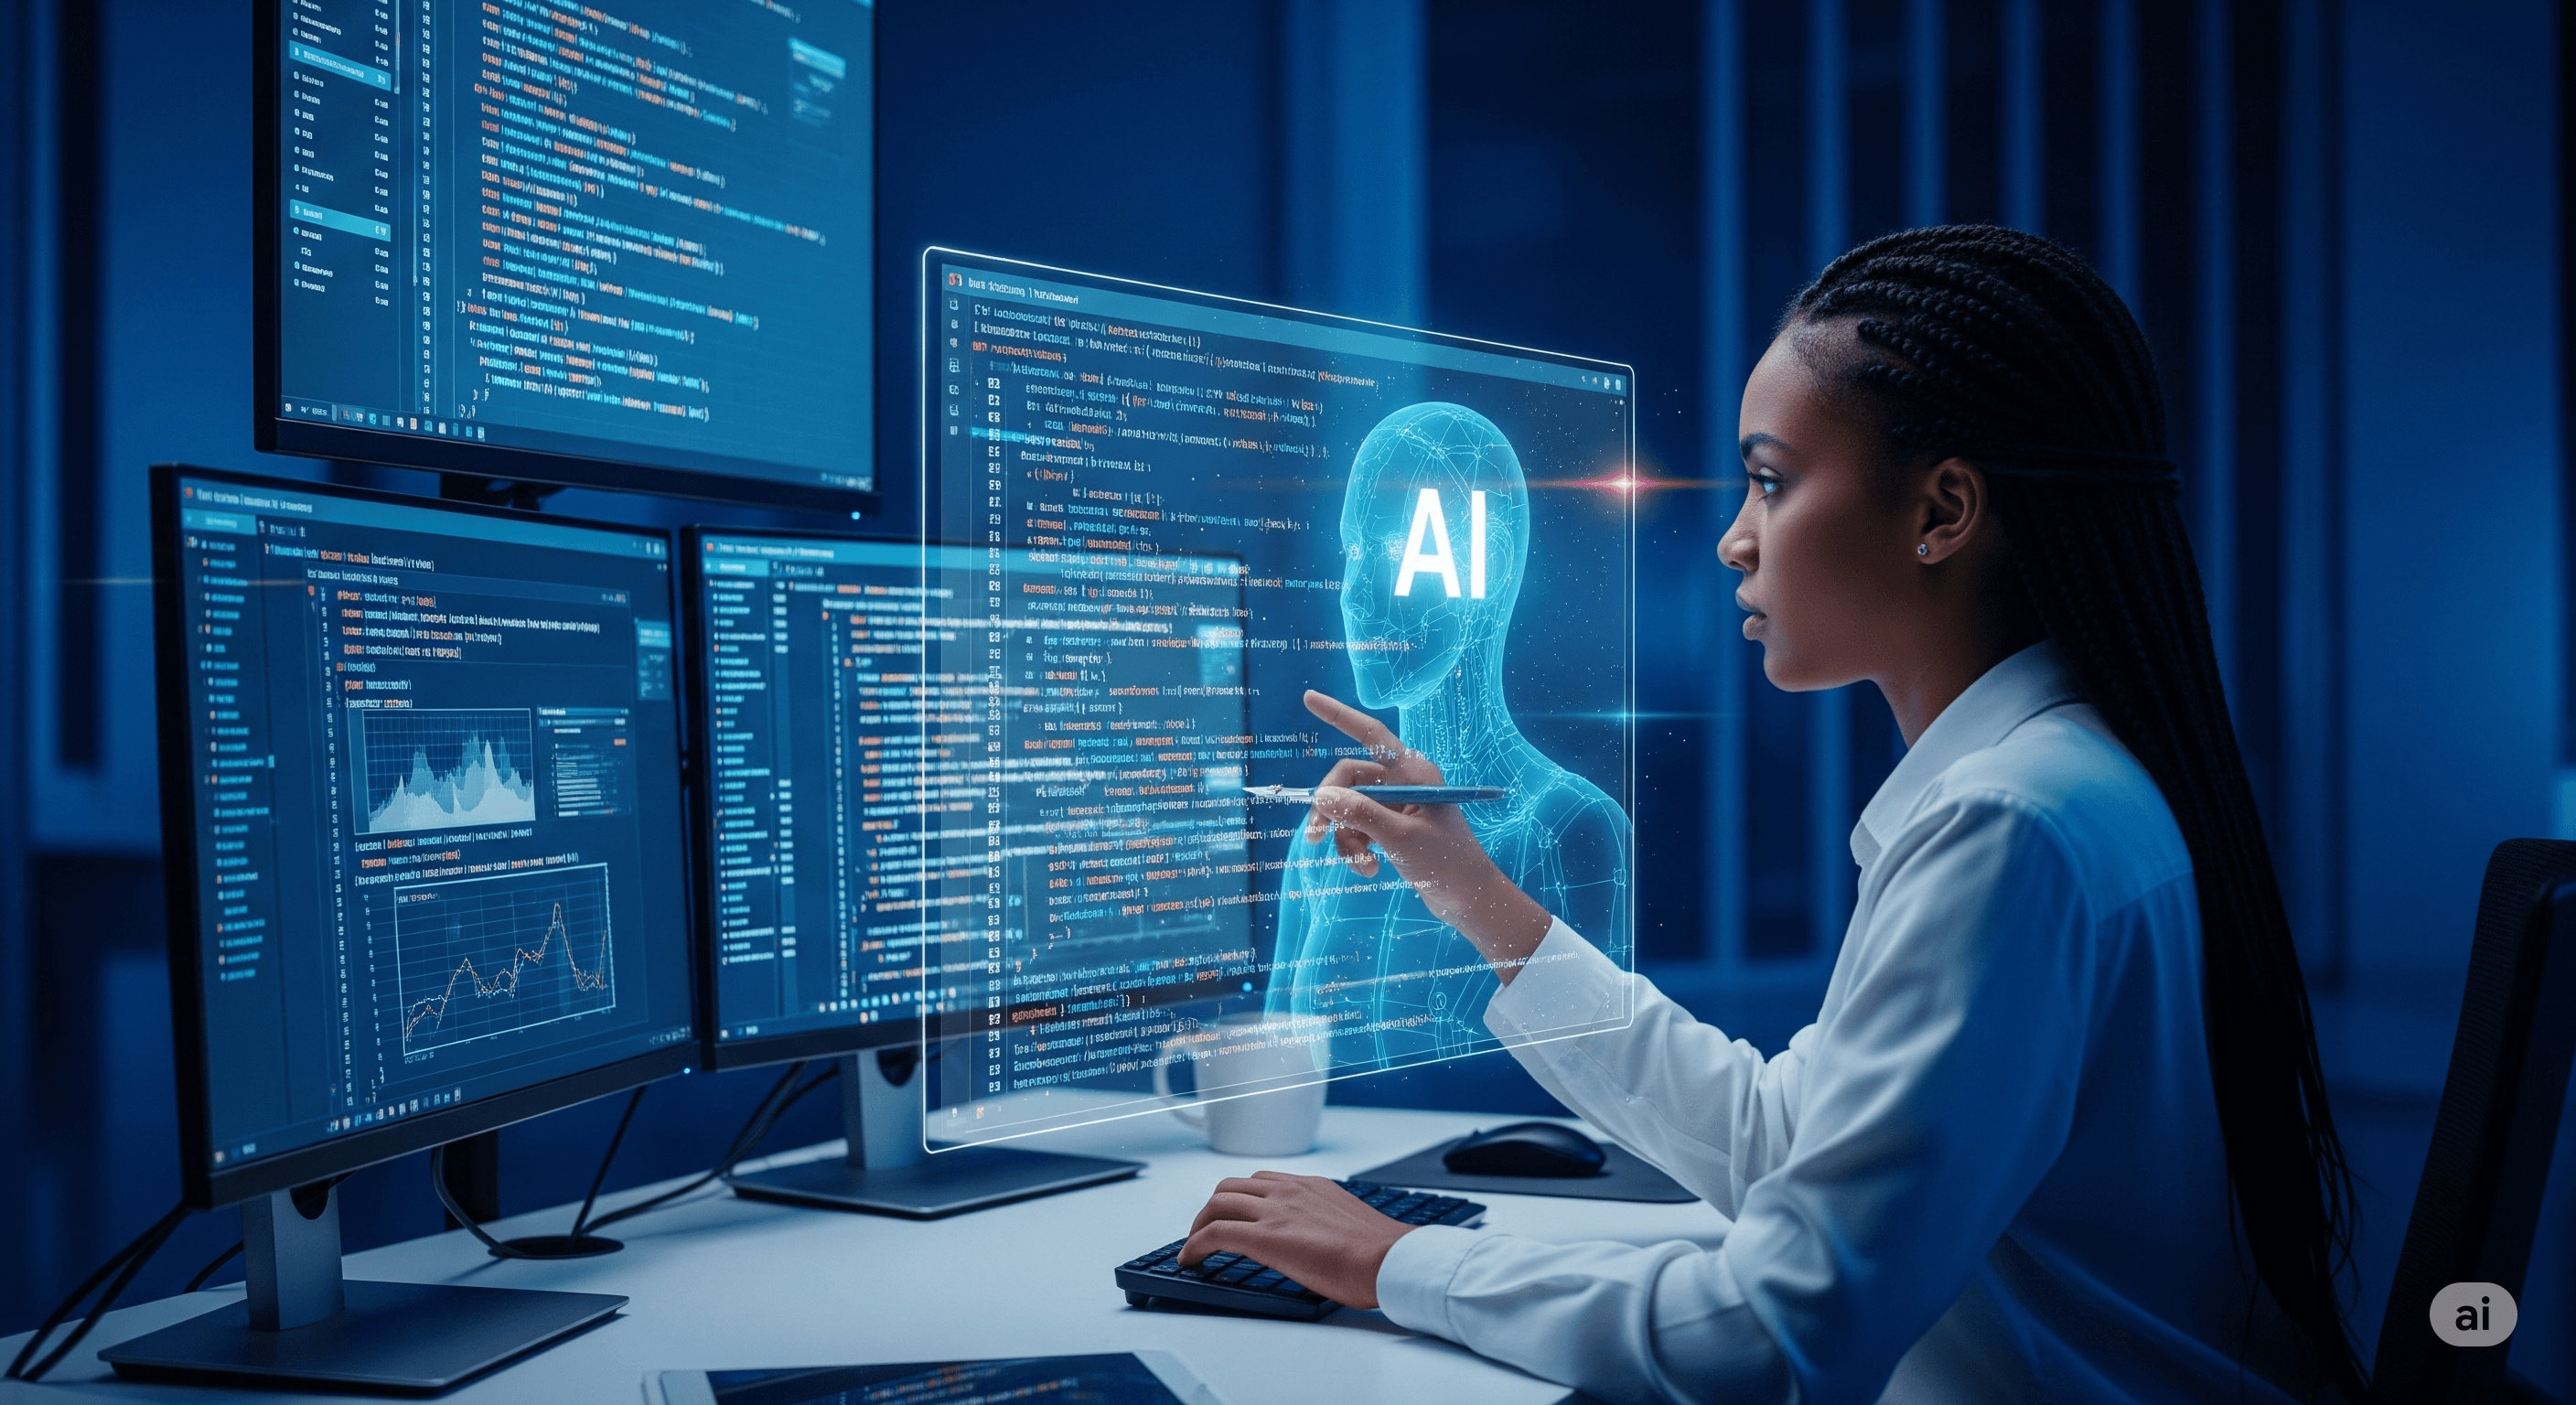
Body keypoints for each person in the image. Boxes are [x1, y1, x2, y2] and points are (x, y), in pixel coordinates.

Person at [1177, 226, 2366, 1403]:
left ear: (1942, 510)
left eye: (1772, 481)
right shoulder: (2060, 782)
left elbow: (1777, 1336)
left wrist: (1396, 1262)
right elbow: (1781, 1142)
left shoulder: (2013, 827)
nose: (1732, 539)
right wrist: (1474, 893)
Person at [1266, 400, 1631, 1072]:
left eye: (1394, 551)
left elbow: (1615, 1084)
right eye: (1353, 553)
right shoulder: (1329, 840)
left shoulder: (1570, 828)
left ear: (1486, 564)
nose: (1351, 593)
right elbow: (1270, 1081)